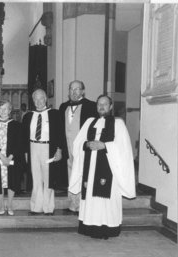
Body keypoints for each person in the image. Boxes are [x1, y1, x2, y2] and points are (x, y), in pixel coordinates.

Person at [69, 95, 136, 239]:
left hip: (109, 170)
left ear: (111, 107)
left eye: (105, 104)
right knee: (91, 198)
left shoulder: (118, 123)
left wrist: (105, 145)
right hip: (90, 168)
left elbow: (124, 149)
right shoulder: (89, 122)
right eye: (99, 104)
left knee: (107, 199)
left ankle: (107, 229)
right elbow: (77, 144)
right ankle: (90, 228)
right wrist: (87, 144)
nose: (101, 106)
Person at [22, 89, 67, 215]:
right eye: (35, 99)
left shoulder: (54, 114)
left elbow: (60, 134)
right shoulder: (28, 116)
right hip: (33, 147)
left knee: (48, 178)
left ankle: (48, 207)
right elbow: (24, 136)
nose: (38, 101)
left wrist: (59, 150)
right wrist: (26, 152)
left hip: (48, 148)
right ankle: (36, 206)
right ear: (32, 101)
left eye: (41, 98)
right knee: (35, 178)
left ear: (46, 98)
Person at [59, 80, 97, 214]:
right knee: (71, 173)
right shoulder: (63, 106)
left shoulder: (91, 106)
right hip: (68, 145)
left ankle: (84, 204)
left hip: (82, 145)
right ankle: (73, 203)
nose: (74, 92)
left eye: (77, 89)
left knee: (83, 172)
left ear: (83, 91)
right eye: (71, 89)